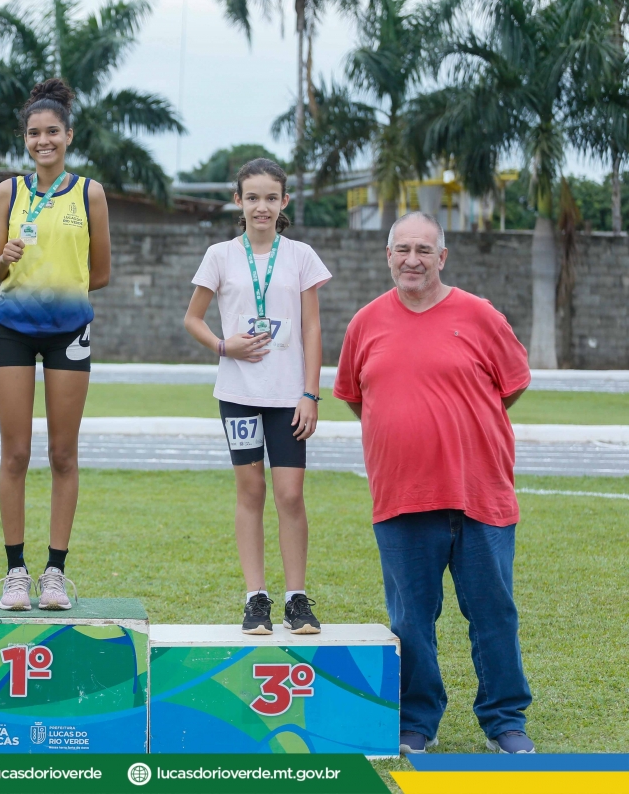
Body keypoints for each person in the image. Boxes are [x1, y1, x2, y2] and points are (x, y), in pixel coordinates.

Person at [334, 211, 534, 755]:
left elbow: (512, 384)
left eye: (424, 250)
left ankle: (505, 719)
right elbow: (355, 396)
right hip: (401, 498)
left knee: (493, 614)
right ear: (388, 256)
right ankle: (417, 719)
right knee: (410, 621)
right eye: (403, 249)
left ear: (442, 257)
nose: (413, 260)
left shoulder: (480, 315)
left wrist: (463, 419)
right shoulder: (365, 323)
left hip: (479, 494)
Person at [183, 159, 331, 635]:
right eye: (252, 198)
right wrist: (224, 346)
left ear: (284, 202)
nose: (261, 206)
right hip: (239, 394)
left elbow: (312, 328)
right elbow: (193, 319)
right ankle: (256, 598)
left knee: (290, 494)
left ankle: (296, 598)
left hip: (289, 397)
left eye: (270, 198)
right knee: (250, 491)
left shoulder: (301, 256)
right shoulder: (220, 255)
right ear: (238, 201)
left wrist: (310, 393)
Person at [0, 78, 111, 610]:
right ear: (25, 139)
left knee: (63, 453)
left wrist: (62, 290)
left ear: (68, 135)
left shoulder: (89, 193)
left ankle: (55, 573)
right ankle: (16, 572)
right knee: (15, 453)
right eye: (35, 133)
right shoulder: (8, 193)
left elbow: (100, 273)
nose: (44, 141)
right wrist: (5, 259)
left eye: (53, 132)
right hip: (11, 330)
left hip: (68, 332)